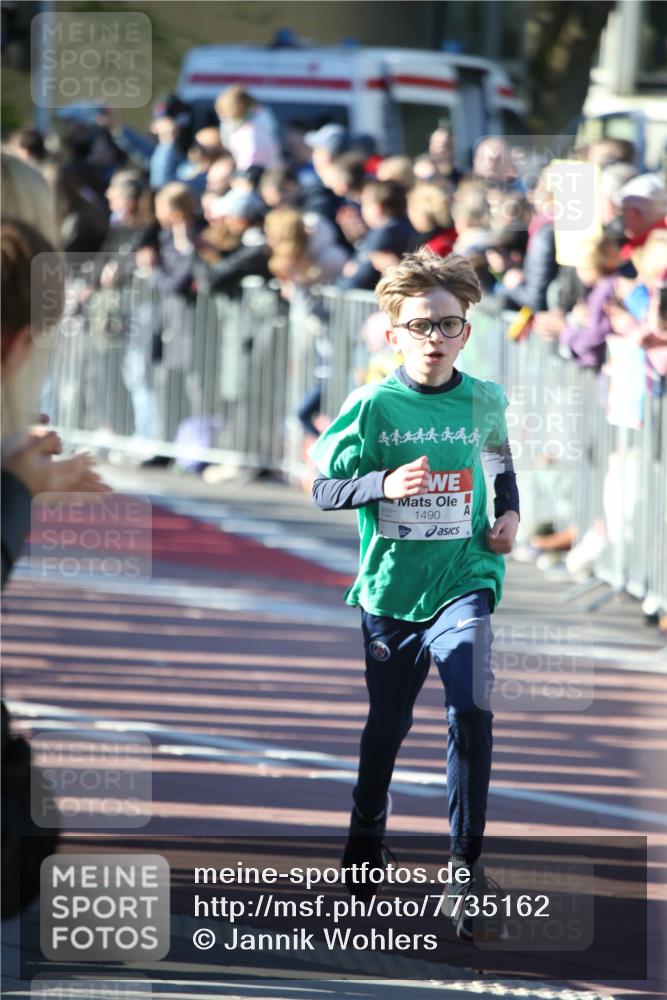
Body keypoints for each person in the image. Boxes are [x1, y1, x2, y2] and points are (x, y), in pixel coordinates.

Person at [309, 248, 520, 942]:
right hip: (391, 590)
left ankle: (464, 866)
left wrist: (506, 514)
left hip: (464, 579)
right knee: (387, 729)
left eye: (449, 325)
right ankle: (366, 834)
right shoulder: (371, 405)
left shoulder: (483, 397)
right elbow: (323, 489)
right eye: (421, 326)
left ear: (466, 331)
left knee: (471, 707)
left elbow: (497, 459)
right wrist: (382, 485)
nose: (435, 339)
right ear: (393, 333)